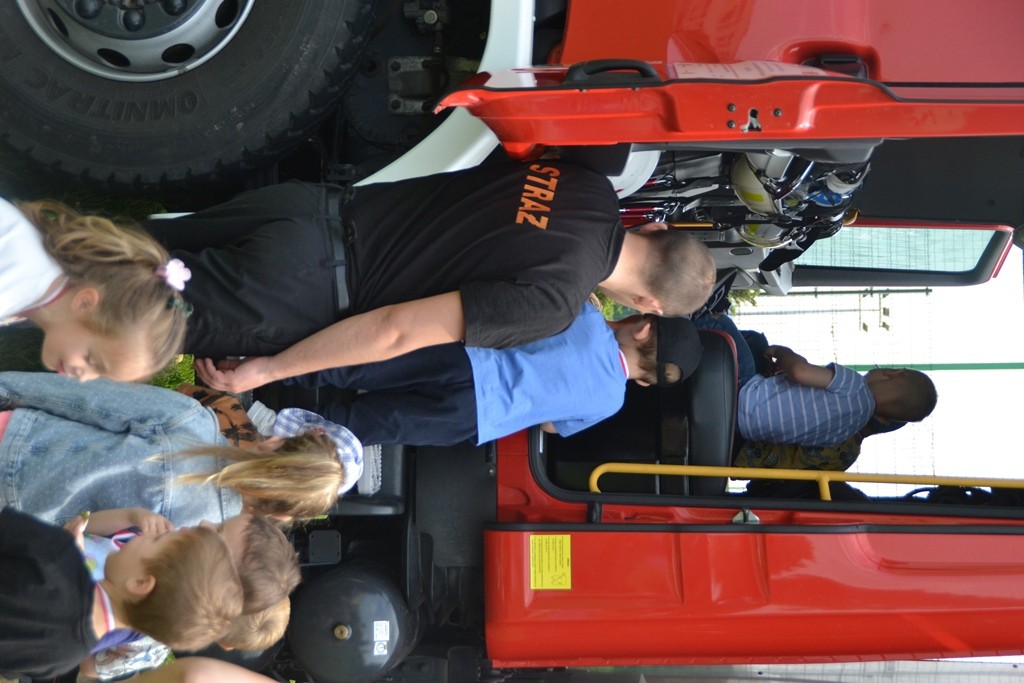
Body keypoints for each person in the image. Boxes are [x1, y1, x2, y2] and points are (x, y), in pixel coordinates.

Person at [140, 162, 717, 392]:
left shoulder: (587, 183)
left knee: (121, 248)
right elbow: (394, 330)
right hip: (297, 287)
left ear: (657, 229)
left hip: (310, 207)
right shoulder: (553, 304)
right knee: (113, 312)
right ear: (646, 305)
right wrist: (270, 369)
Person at [281, 303, 702, 446]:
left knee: (362, 363)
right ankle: (275, 430)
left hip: (466, 359)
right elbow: (551, 426)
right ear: (645, 381)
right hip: (472, 419)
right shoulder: (612, 402)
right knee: (372, 425)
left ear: (642, 327)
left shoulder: (588, 317)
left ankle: (274, 369)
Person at [0, 371, 363, 527]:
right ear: (283, 515)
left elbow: (86, 398)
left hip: (19, 445)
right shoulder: (201, 544)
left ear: (276, 441)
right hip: (24, 530)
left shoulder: (191, 421)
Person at [0, 506, 243, 680]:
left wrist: (59, 546)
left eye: (155, 541)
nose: (141, 537)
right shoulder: (67, 657)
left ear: (140, 583)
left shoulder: (58, 556)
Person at [0, 198, 189, 381]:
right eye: (91, 359)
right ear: (85, 302)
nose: (83, 377)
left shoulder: (35, 286)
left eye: (100, 375)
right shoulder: (12, 283)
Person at [738, 345, 937, 448]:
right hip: (743, 430)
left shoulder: (854, 385)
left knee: (727, 327)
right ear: (883, 419)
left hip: (745, 396)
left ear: (894, 374)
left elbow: (800, 371)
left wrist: (782, 352)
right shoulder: (844, 433)